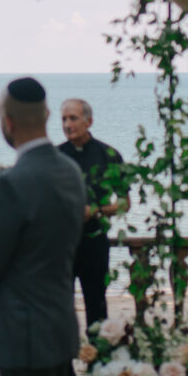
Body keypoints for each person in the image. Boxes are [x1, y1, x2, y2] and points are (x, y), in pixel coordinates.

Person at [0, 77, 86, 376]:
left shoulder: (12, 183)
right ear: (47, 116)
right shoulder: (71, 172)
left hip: (22, 338)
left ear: (8, 123)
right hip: (60, 329)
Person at [57, 97, 128, 328]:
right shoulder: (55, 157)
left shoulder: (109, 155)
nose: (67, 125)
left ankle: (98, 351)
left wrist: (96, 212)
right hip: (62, 245)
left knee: (96, 310)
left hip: (95, 243)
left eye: (73, 118)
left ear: (89, 121)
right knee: (60, 311)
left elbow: (125, 203)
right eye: (64, 119)